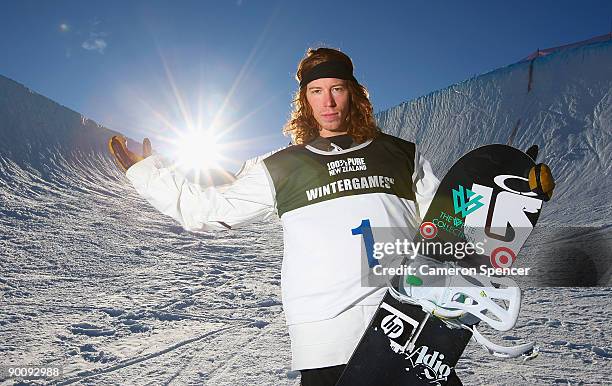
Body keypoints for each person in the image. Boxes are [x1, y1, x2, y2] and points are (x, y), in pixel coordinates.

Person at [109, 47, 553, 386]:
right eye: (316, 91)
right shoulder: (281, 165)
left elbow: (449, 223)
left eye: (337, 88)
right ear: (305, 100)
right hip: (326, 338)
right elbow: (207, 211)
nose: (328, 101)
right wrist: (146, 173)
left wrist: (510, 193)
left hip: (405, 323)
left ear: (353, 95)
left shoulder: (400, 155)